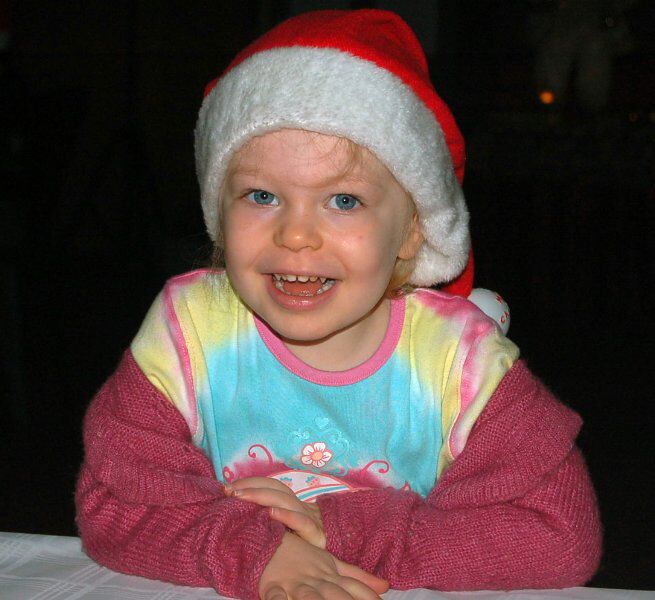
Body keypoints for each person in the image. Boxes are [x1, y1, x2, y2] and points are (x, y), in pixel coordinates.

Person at [75, 9, 602, 600]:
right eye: (261, 195)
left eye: (344, 201)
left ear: (413, 232)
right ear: (217, 213)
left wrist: (335, 530)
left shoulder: (461, 362)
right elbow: (109, 506)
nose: (296, 235)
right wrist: (256, 549)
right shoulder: (189, 330)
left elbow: (560, 537)